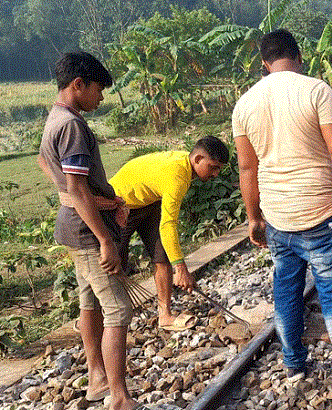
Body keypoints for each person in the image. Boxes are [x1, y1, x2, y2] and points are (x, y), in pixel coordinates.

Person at [232, 29, 332, 390]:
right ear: (299, 55)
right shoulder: (316, 90)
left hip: (278, 217)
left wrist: (254, 218)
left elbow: (248, 168)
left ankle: (293, 364)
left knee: (286, 293)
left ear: (264, 62)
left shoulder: (245, 103)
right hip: (321, 212)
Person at [38, 51, 138, 410]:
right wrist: (106, 239)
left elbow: (49, 168)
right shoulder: (72, 126)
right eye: (98, 89)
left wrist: (79, 198)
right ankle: (119, 397)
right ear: (78, 85)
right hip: (86, 233)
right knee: (118, 311)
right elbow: (78, 188)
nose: (101, 97)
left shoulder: (55, 117)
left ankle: (97, 379)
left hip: (74, 227)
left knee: (90, 302)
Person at [109, 136, 228, 331]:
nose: (215, 174)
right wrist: (181, 269)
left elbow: (166, 225)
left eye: (218, 169)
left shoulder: (185, 165)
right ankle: (104, 320)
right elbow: (169, 224)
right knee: (114, 264)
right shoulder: (177, 175)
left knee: (161, 256)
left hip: (149, 200)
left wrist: (176, 265)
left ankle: (165, 315)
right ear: (197, 159)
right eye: (213, 167)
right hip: (119, 203)